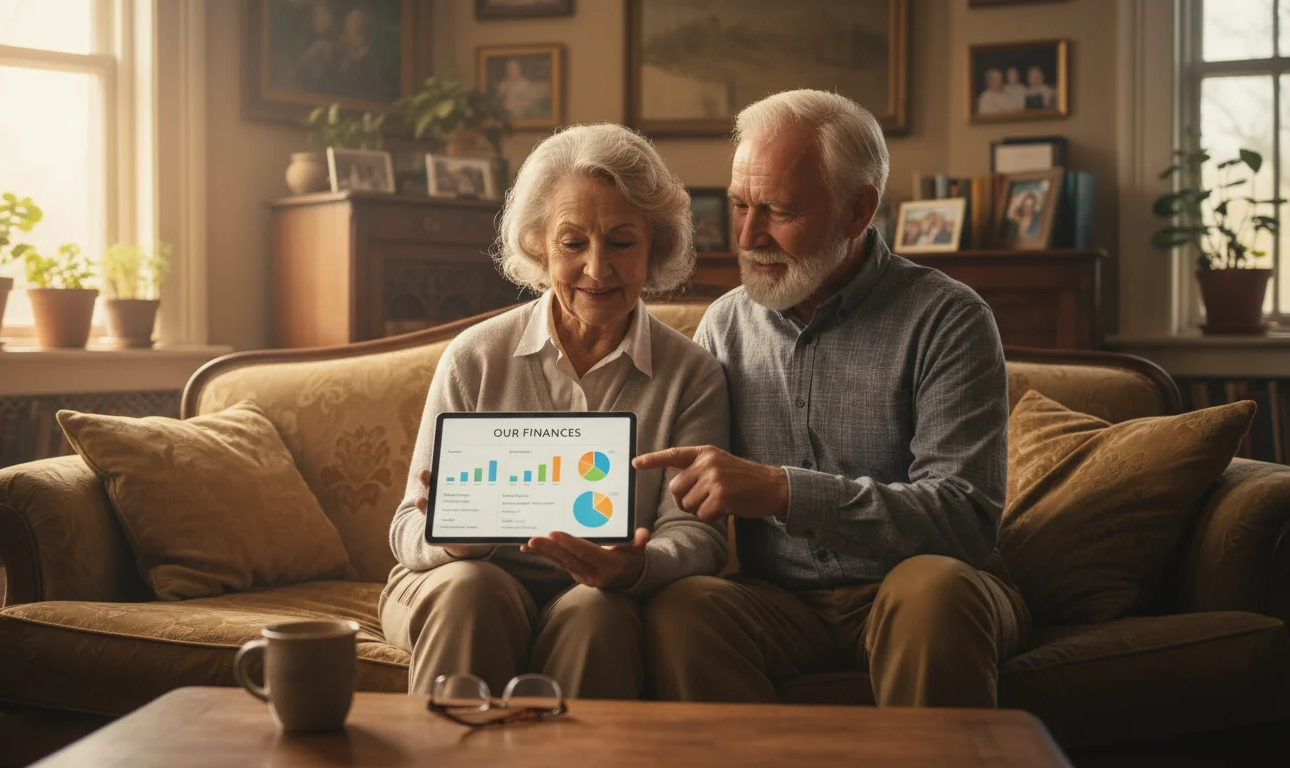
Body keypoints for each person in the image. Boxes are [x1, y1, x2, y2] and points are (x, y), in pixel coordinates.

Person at [638, 89, 1031, 708]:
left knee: (931, 592)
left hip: (925, 585)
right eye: (739, 205)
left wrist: (785, 490)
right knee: (685, 607)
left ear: (857, 211)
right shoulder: (723, 326)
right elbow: (677, 479)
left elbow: (964, 520)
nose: (746, 235)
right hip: (780, 602)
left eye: (777, 210)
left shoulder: (948, 319)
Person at [380, 123, 731, 700]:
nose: (597, 269)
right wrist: (454, 540)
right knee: (474, 589)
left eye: (622, 242)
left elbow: (698, 534)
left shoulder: (692, 374)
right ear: (540, 244)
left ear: (656, 246)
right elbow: (406, 528)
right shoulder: (475, 357)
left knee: (600, 611)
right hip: (460, 584)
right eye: (573, 243)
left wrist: (636, 568)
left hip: (601, 596)